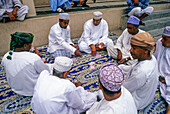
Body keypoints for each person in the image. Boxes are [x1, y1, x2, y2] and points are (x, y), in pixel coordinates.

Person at [31, 56, 98, 114]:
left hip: (37, 110)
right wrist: (79, 88)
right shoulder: (67, 86)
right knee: (90, 98)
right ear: (65, 73)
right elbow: (78, 104)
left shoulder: (43, 74)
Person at [2, 32, 50, 96]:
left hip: (15, 88)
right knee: (53, 68)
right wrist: (40, 56)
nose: (31, 46)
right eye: (30, 44)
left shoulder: (6, 56)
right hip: (32, 91)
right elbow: (45, 71)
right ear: (25, 46)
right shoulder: (33, 58)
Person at [119, 32, 158, 110]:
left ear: (145, 50)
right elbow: (132, 67)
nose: (130, 50)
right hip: (145, 96)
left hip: (136, 102)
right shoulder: (151, 57)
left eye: (134, 48)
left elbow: (124, 89)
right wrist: (118, 68)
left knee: (103, 95)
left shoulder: (141, 72)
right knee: (120, 67)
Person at [154, 26, 170, 113]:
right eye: (162, 37)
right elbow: (155, 58)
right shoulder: (160, 42)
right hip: (157, 74)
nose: (162, 40)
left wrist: (166, 79)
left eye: (165, 39)